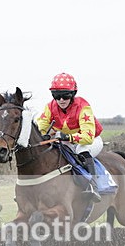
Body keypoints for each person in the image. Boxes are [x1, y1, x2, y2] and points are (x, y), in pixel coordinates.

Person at [35, 72, 104, 202]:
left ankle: (93, 186)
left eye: (65, 96)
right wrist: (46, 134)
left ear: (72, 95)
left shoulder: (83, 107)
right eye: (57, 96)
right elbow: (41, 127)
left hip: (90, 141)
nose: (61, 100)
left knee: (81, 150)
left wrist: (67, 136)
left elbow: (88, 137)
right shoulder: (50, 107)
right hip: (66, 140)